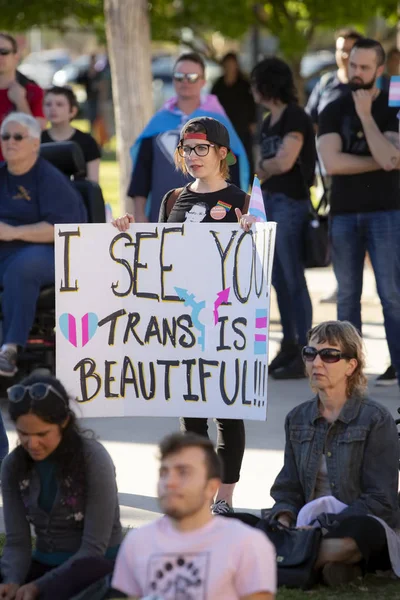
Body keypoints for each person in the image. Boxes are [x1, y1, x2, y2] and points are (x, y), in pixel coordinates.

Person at [113, 116, 255, 514]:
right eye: (186, 149)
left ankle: (223, 498)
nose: (192, 156)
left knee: (228, 411)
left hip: (226, 319)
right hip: (181, 319)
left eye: (200, 149)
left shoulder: (243, 200)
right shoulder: (174, 198)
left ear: (222, 153)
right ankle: (198, 492)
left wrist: (251, 233)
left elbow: (255, 267)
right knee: (191, 411)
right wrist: (128, 233)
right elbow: (159, 256)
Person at [268, 320, 400, 587]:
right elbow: (288, 486)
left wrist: (322, 524)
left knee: (358, 535)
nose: (317, 363)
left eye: (329, 355)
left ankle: (277, 564)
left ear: (351, 366)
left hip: (353, 523)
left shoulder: (375, 419)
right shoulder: (298, 418)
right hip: (304, 525)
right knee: (235, 522)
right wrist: (284, 518)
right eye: (310, 353)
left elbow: (380, 500)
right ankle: (327, 567)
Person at [318, 38, 400, 392]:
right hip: (345, 214)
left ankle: (397, 365)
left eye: (365, 68)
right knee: (348, 295)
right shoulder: (332, 107)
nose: (357, 73)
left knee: (391, 293)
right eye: (353, 66)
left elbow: (391, 158)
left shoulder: (393, 105)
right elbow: (333, 163)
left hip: (386, 213)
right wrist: (381, 161)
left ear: (380, 71)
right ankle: (350, 370)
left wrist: (366, 117)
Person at [0, 373, 123, 600]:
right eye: (23, 434)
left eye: (42, 434)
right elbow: (17, 542)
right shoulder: (12, 465)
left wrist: (38, 587)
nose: (32, 443)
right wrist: (12, 580)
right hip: (45, 562)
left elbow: (93, 548)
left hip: (95, 566)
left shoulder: (94, 459)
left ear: (64, 422)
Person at [110, 432, 276, 600]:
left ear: (211, 487)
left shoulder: (247, 544)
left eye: (183, 473)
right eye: (164, 473)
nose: (169, 482)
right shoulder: (137, 542)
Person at [0, 111, 87, 381]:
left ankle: (10, 349)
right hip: (6, 250)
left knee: (23, 270)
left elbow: (63, 228)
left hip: (47, 251)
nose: (10, 142)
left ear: (36, 143)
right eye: (5, 136)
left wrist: (13, 232)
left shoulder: (50, 179)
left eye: (18, 136)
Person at [251, 57, 316, 380]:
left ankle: (307, 348)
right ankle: (289, 343)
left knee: (293, 278)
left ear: (267, 84)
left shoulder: (295, 116)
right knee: (276, 280)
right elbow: (268, 162)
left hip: (291, 202)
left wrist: (264, 168)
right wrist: (267, 168)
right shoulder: (267, 121)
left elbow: (284, 161)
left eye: (255, 83)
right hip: (269, 202)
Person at [127, 51, 250, 222]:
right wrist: (139, 213)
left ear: (203, 81)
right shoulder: (159, 121)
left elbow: (232, 168)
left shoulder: (217, 122)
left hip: (215, 217)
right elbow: (142, 171)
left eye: (192, 76)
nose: (185, 81)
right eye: (179, 76)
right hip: (164, 215)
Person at [306, 29, 363, 131]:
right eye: (341, 50)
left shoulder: (378, 83)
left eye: (351, 50)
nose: (345, 55)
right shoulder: (325, 82)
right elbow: (310, 121)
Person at [0, 33, 45, 161]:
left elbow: (38, 133)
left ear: (16, 56)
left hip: (19, 169)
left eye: (4, 52)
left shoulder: (33, 91)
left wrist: (21, 102)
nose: (0, 57)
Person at [41, 86, 101, 183]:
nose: (53, 108)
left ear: (73, 111)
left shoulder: (87, 142)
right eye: (48, 104)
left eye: (59, 104)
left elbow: (93, 183)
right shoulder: (36, 141)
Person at [211, 52, 257, 174]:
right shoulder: (218, 85)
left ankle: (250, 182)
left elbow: (252, 104)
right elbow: (212, 104)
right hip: (224, 127)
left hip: (242, 126)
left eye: (232, 64)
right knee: (225, 155)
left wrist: (253, 122)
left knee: (246, 155)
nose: (230, 67)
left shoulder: (244, 84)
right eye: (227, 64)